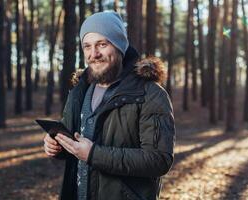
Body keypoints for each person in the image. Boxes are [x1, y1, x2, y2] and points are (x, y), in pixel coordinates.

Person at [43, 11, 175, 200]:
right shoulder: (80, 91)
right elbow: (74, 141)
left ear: (120, 46)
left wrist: (93, 154)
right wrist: (56, 145)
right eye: (87, 46)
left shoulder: (150, 94)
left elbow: (159, 160)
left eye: (102, 44)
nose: (93, 54)